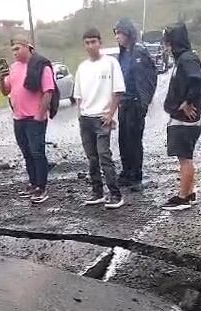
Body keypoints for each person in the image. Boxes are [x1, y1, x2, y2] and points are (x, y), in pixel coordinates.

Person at [0, 35, 56, 204]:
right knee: (27, 153)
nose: (15, 53)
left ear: (27, 46)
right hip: (19, 117)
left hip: (35, 118)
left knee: (37, 152)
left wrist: (40, 114)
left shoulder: (40, 65)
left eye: (17, 48)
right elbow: (5, 91)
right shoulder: (13, 68)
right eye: (12, 50)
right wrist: (1, 78)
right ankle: (32, 183)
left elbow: (48, 91)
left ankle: (41, 188)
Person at [74, 28, 127, 210]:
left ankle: (115, 194)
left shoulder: (110, 63)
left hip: (102, 118)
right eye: (87, 43)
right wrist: (80, 114)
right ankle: (97, 192)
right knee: (92, 158)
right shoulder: (82, 67)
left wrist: (110, 113)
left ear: (100, 43)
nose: (90, 46)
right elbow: (78, 95)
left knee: (104, 156)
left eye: (93, 42)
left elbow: (118, 91)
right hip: (86, 118)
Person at [161, 23, 201, 211]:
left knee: (185, 159)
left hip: (185, 122)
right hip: (183, 120)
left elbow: (200, 80)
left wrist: (188, 101)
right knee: (185, 158)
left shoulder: (187, 59)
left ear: (174, 41)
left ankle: (183, 198)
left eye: (167, 40)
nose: (165, 44)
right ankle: (189, 192)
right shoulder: (184, 58)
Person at [113, 18, 157, 191]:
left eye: (120, 33)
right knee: (123, 139)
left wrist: (144, 102)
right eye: (116, 33)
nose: (117, 37)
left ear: (128, 33)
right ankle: (126, 171)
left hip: (135, 103)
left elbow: (149, 78)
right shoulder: (123, 54)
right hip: (124, 103)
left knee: (134, 140)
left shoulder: (139, 52)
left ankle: (136, 174)